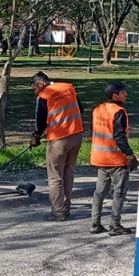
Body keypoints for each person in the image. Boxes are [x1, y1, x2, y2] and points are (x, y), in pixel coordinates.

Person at [29, 71, 84, 221]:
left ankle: (58, 212)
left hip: (58, 140)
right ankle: (66, 206)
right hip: (77, 135)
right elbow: (80, 108)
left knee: (55, 176)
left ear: (41, 84)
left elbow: (40, 121)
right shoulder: (68, 87)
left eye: (34, 88)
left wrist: (36, 137)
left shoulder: (44, 95)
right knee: (69, 172)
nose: (35, 92)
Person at [90, 81, 139, 236]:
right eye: (123, 92)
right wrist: (130, 155)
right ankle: (115, 225)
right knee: (119, 192)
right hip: (116, 160)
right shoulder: (119, 112)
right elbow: (119, 136)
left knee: (99, 193)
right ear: (115, 95)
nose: (126, 95)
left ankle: (95, 224)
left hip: (100, 158)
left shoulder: (98, 109)